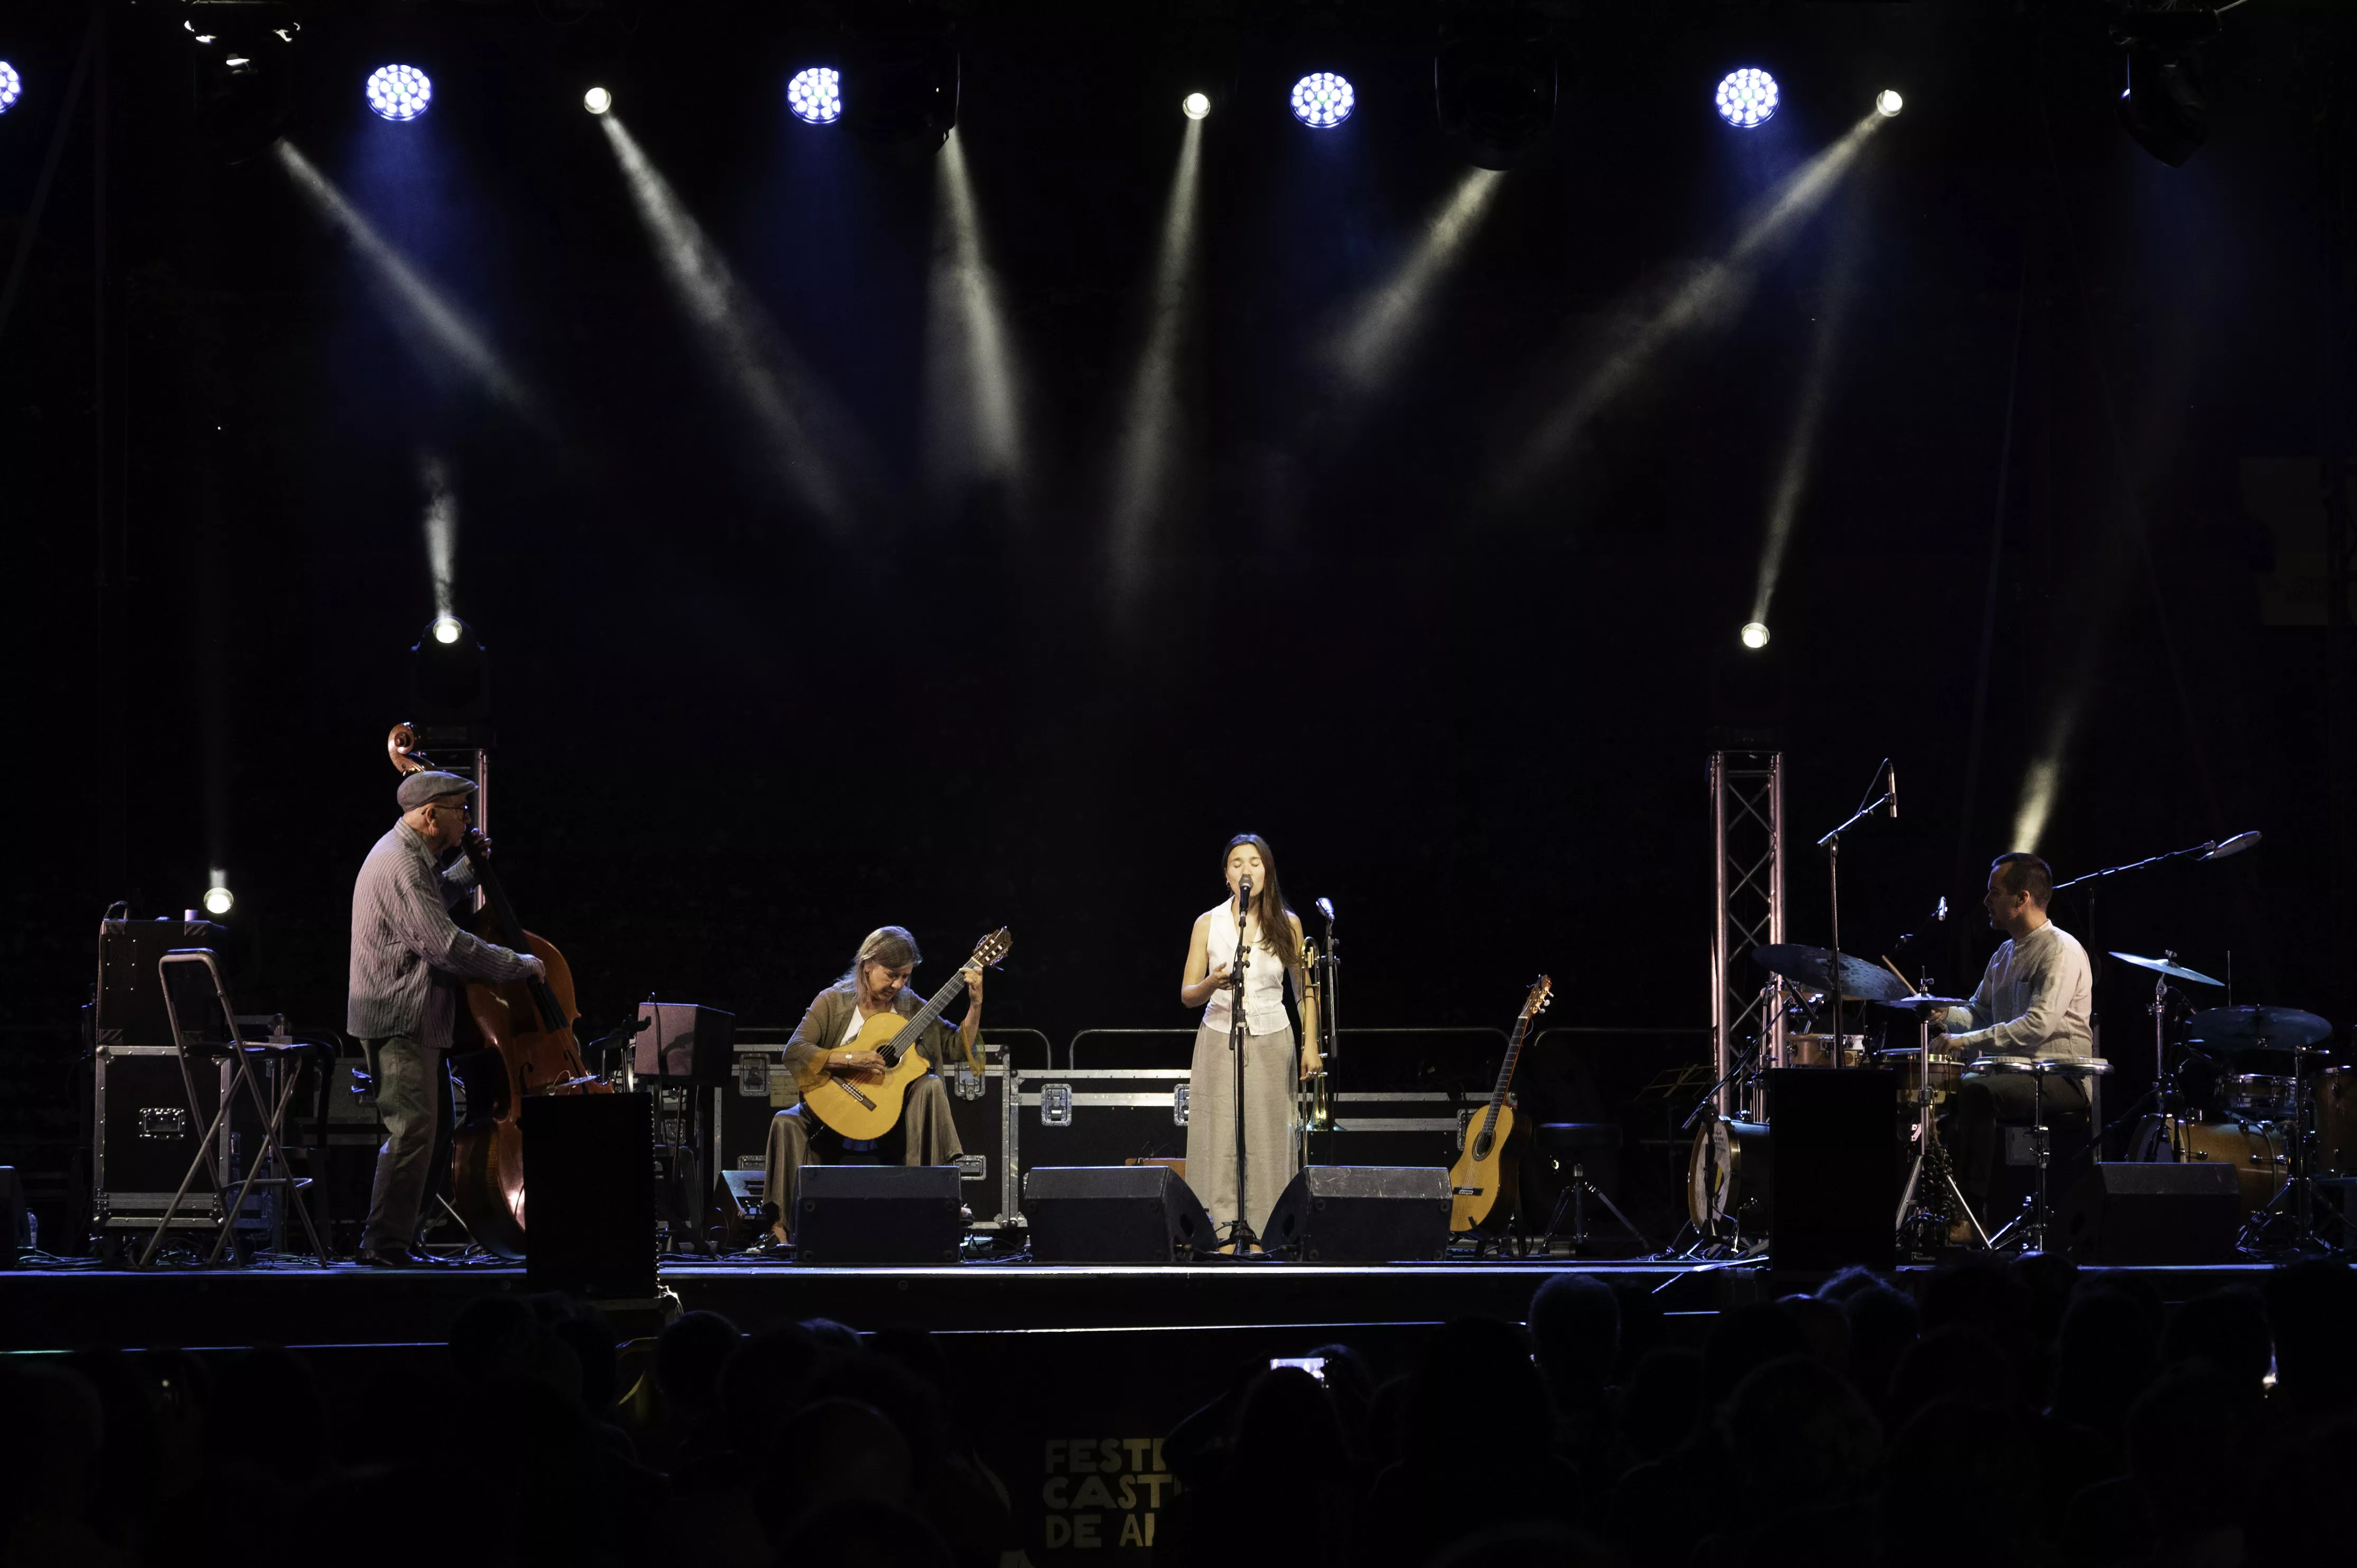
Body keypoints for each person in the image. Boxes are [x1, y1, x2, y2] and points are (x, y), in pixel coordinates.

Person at [347, 770, 543, 1267]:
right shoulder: (400, 863)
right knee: (413, 1131)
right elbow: (446, 945)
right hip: (399, 1016)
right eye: (460, 810)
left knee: (433, 1134)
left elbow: (432, 901)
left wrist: (467, 871)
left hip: (414, 1016)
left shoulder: (412, 856)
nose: (467, 820)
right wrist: (516, 964)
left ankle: (402, 1238)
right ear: (431, 815)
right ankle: (383, 1243)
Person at [763, 927, 980, 1245]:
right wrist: (850, 1059)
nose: (898, 985)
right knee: (786, 1122)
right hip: (832, 1116)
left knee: (930, 1086)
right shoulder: (833, 1001)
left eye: (905, 977)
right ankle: (783, 1230)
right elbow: (795, 1051)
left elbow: (958, 1046)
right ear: (867, 966)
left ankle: (937, 1202)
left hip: (891, 1123)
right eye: (891, 975)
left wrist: (975, 1005)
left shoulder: (911, 1008)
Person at [1934, 852, 2095, 1232]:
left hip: (2060, 1076)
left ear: (2022, 899)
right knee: (1941, 1095)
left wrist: (1964, 1041)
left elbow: (2037, 1026)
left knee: (1975, 1090)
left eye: (1994, 892)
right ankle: (1939, 1204)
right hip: (2017, 1074)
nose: (1986, 901)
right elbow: (1979, 1012)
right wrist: (1941, 1013)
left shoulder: (2060, 950)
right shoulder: (2003, 954)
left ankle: (1970, 1214)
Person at [1178, 834, 1321, 1245]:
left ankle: (1265, 1233)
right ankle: (1219, 1233)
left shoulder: (1288, 924)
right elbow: (1188, 994)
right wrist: (1212, 982)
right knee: (1217, 1137)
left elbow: (1304, 991)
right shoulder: (1208, 923)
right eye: (1237, 863)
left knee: (1268, 1137)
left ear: (1267, 871)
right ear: (1227, 875)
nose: (1246, 870)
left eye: (1255, 862)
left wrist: (1311, 1044)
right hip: (1219, 1035)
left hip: (1272, 1036)